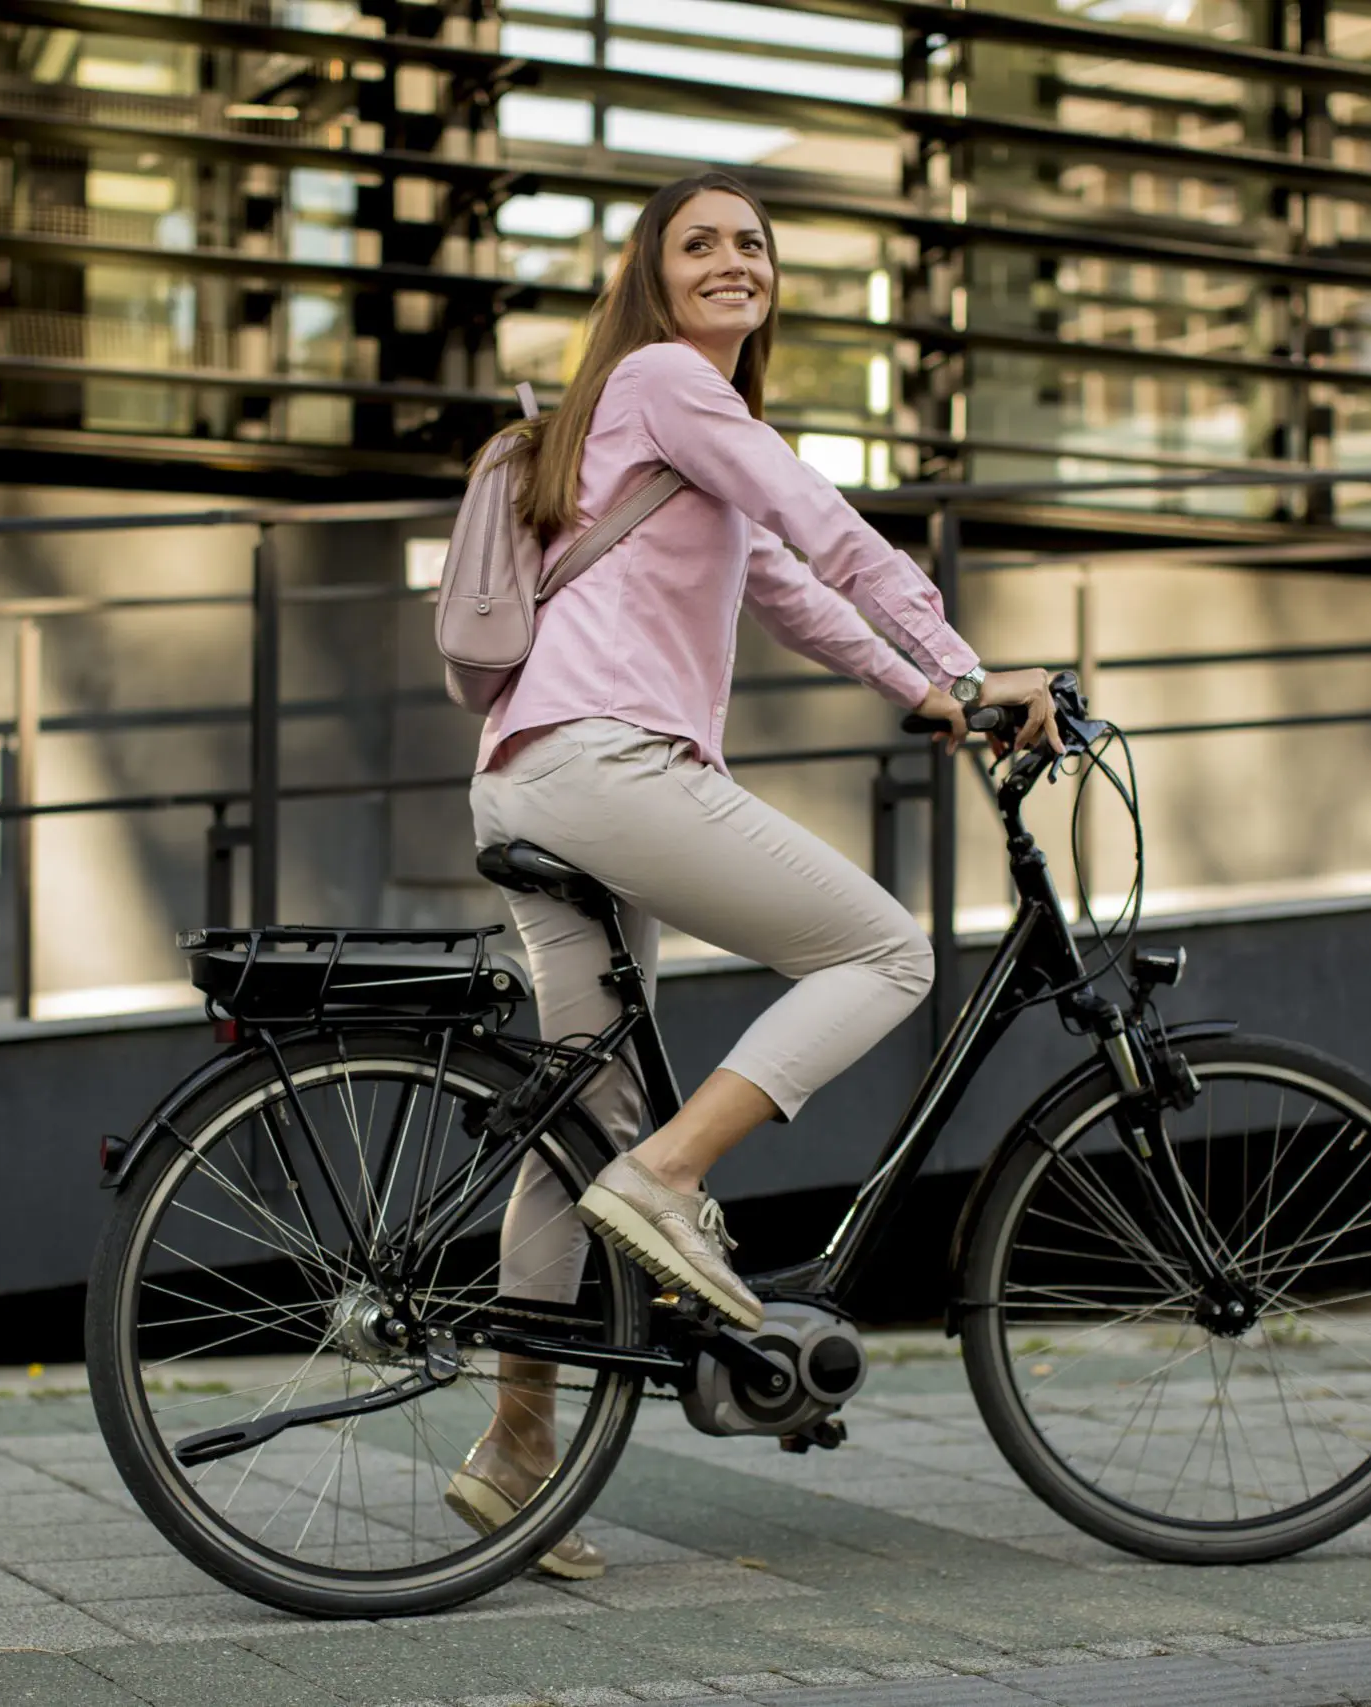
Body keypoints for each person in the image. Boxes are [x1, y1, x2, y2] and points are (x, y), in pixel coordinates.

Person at [442, 170, 1060, 1578]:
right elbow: (827, 523)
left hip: (532, 772)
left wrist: (924, 690)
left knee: (574, 1120)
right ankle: (672, 1182)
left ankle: (519, 1451)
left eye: (754, 245)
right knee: (884, 952)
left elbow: (793, 584)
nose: (734, 261)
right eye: (701, 243)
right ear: (652, 282)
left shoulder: (667, 435)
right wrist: (969, 664)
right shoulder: (667, 383)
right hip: (608, 766)